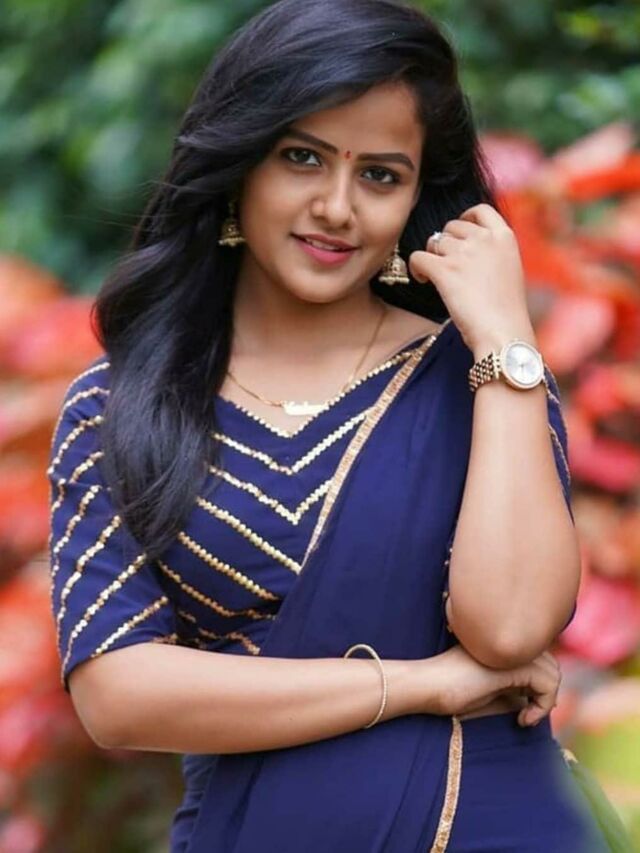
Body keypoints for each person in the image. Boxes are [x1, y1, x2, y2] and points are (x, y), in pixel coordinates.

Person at [47, 0, 609, 850]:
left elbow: (509, 627)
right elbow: (118, 695)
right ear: (240, 164)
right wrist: (424, 683)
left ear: (417, 196)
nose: (337, 207)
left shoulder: (481, 378)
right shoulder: (124, 405)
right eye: (301, 158)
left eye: (380, 175)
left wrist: (505, 341)